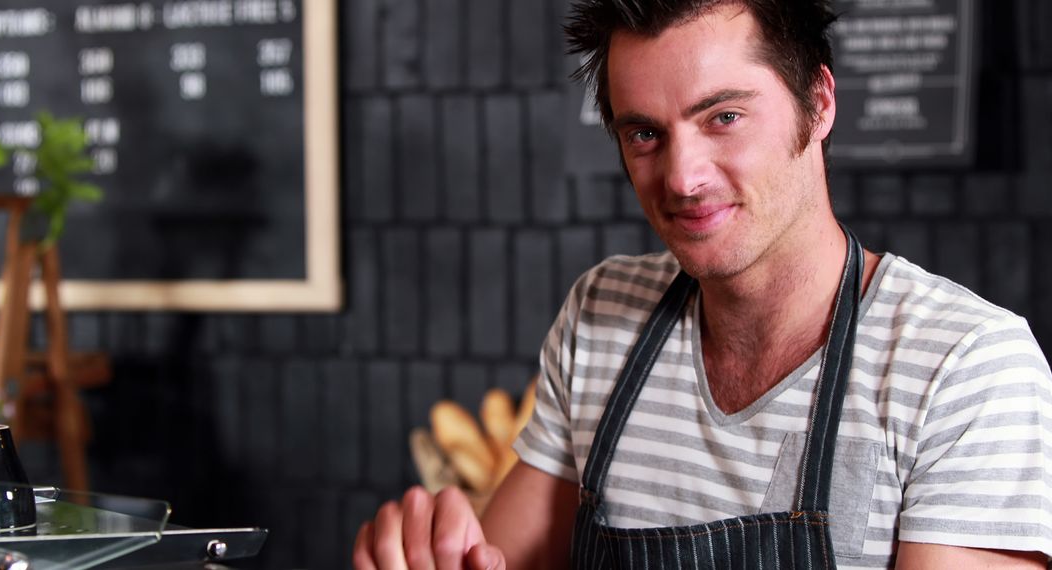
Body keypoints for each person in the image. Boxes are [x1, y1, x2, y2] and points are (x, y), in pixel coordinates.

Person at [354, 0, 1052, 568]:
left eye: (723, 117)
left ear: (819, 102)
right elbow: (509, 556)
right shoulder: (602, 315)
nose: (682, 179)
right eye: (645, 134)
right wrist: (433, 554)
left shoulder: (966, 364)